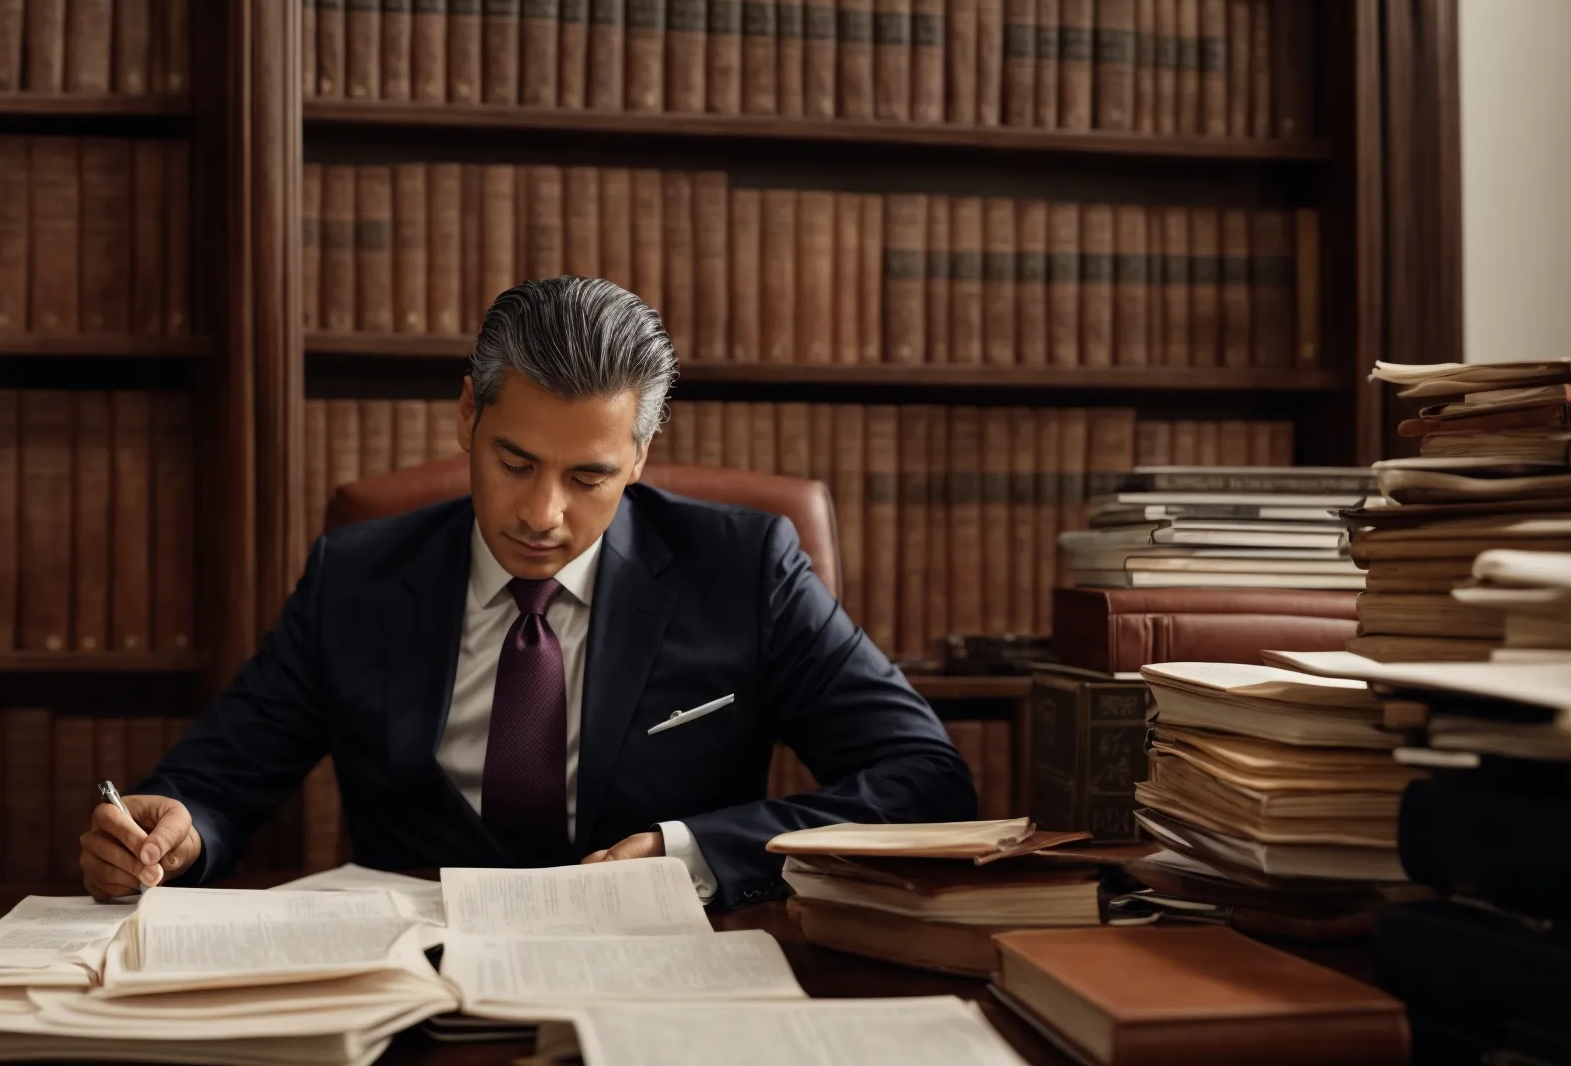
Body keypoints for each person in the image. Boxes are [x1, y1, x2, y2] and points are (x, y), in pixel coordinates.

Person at [80, 275, 976, 909]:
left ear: (639, 460)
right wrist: (172, 831)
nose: (543, 515)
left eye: (589, 476)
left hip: (667, 973)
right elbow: (218, 784)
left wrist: (688, 853)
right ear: (469, 414)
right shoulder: (354, 577)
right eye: (515, 462)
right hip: (416, 983)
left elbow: (925, 780)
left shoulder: (743, 570)